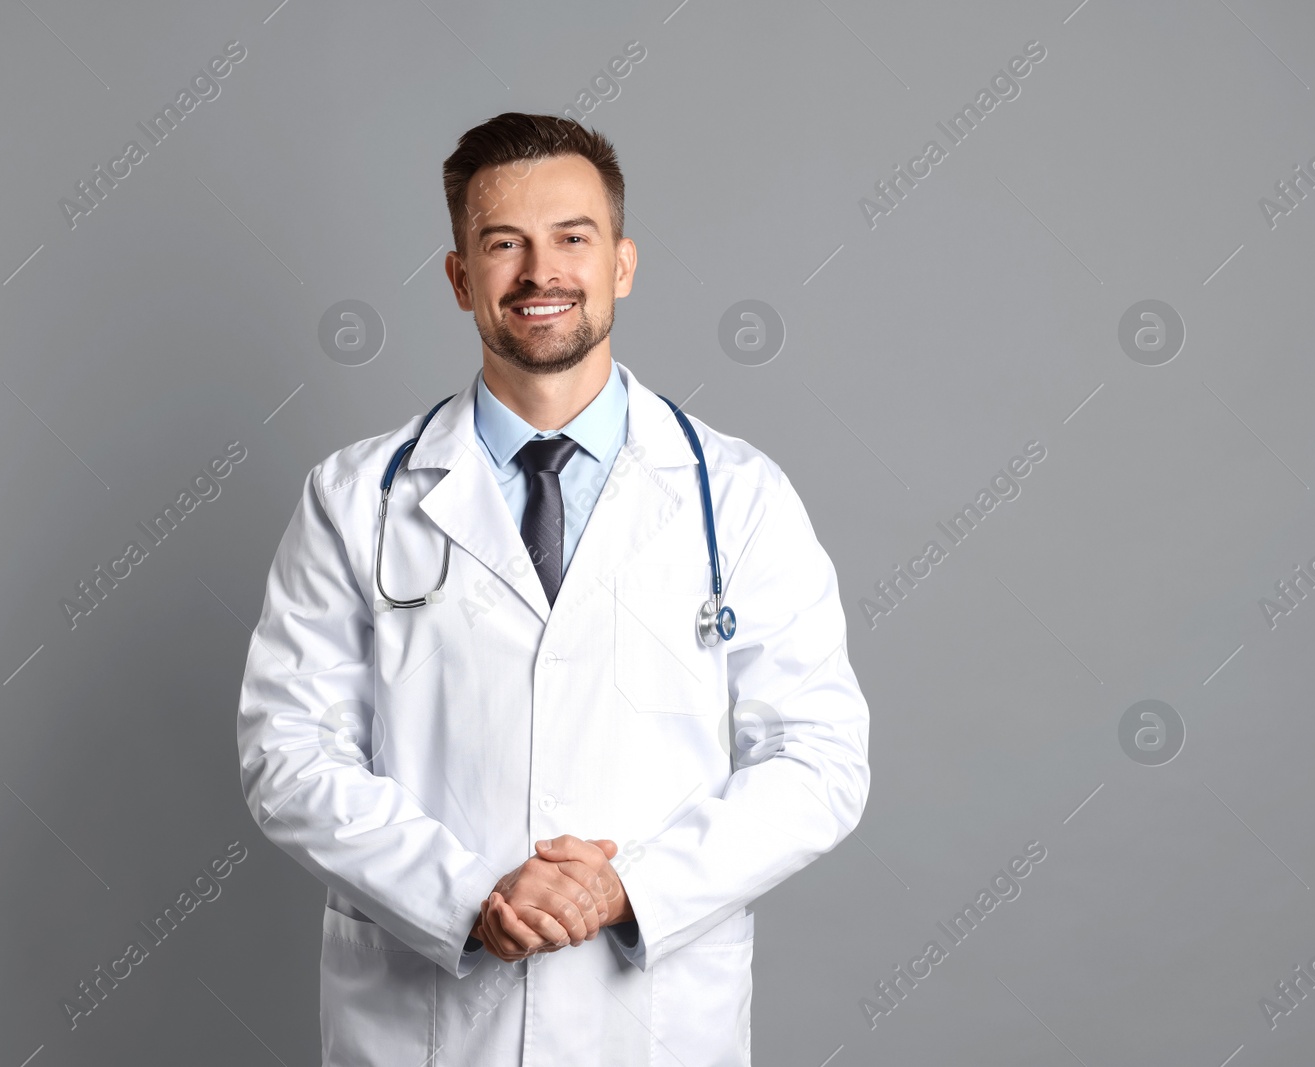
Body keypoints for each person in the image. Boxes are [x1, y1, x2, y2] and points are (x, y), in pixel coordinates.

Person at [237, 112, 870, 1066]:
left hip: (653, 1020)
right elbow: (287, 752)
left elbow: (820, 761)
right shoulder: (355, 497)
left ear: (621, 263)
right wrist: (466, 898)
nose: (542, 274)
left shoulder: (736, 496)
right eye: (504, 244)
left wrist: (632, 889)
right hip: (430, 1023)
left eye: (573, 237)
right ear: (460, 278)